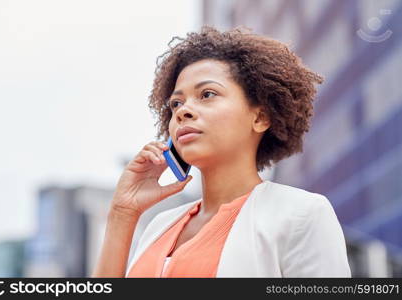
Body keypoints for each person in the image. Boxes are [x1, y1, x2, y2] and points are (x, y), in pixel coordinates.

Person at [92, 25, 351, 278]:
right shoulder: (159, 226)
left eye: (207, 94)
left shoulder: (301, 214)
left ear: (260, 117)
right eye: (176, 103)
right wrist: (122, 214)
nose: (183, 111)